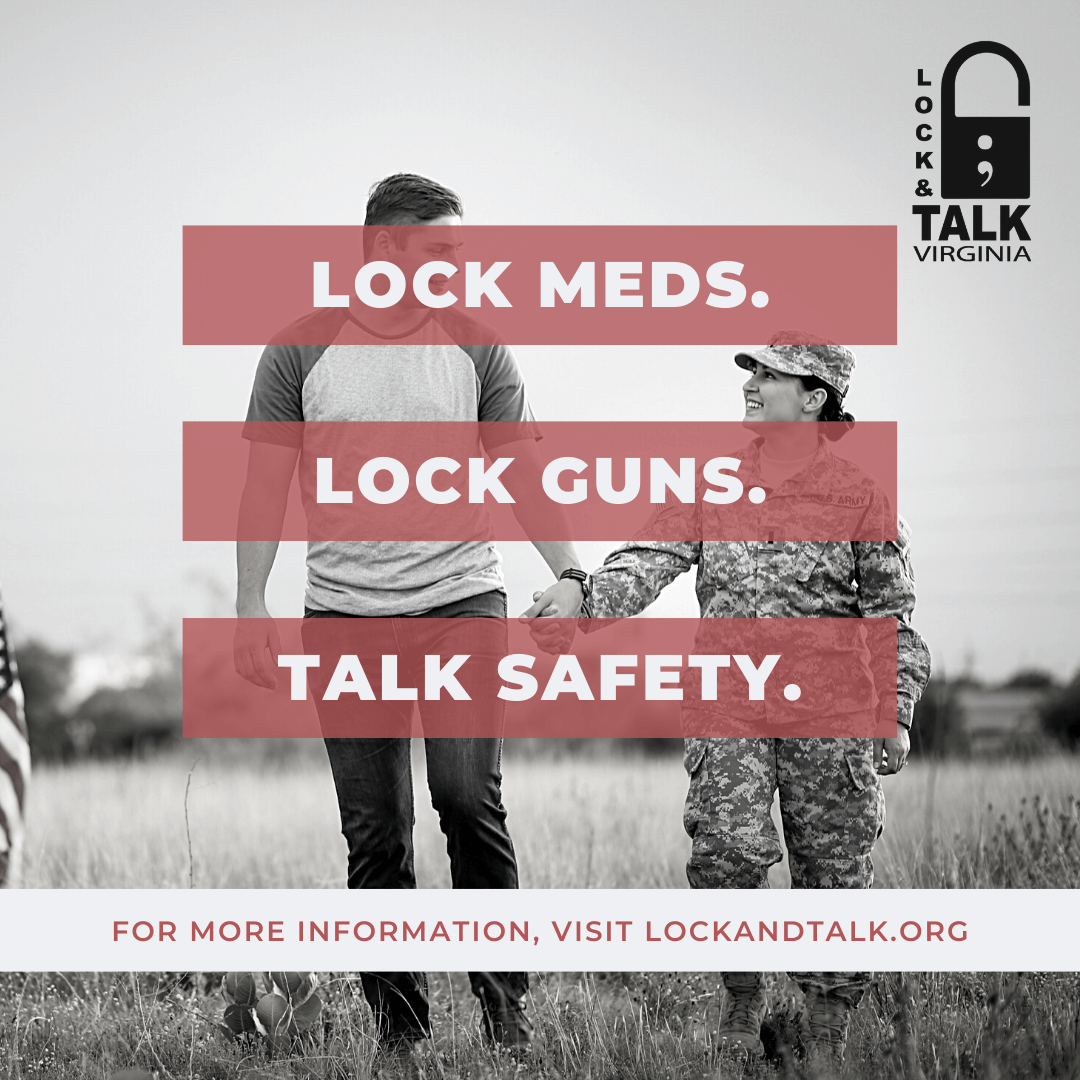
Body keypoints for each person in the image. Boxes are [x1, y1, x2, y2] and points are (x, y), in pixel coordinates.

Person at [233, 173, 587, 1062]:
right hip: (345, 617)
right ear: (385, 250)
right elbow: (263, 488)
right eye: (442, 252)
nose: (459, 270)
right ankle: (401, 1034)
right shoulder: (298, 352)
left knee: (467, 802)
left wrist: (573, 575)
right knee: (375, 832)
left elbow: (522, 475)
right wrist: (249, 604)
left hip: (462, 603)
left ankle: (507, 1018)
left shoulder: (476, 347)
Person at [525, 330, 931, 1066]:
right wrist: (578, 601)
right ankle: (740, 998)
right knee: (727, 849)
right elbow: (647, 562)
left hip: (832, 717)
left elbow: (893, 621)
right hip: (732, 706)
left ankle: (826, 1028)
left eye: (771, 375)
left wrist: (895, 712)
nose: (751, 383)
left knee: (834, 871)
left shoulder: (862, 498)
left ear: (815, 399)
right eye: (751, 370)